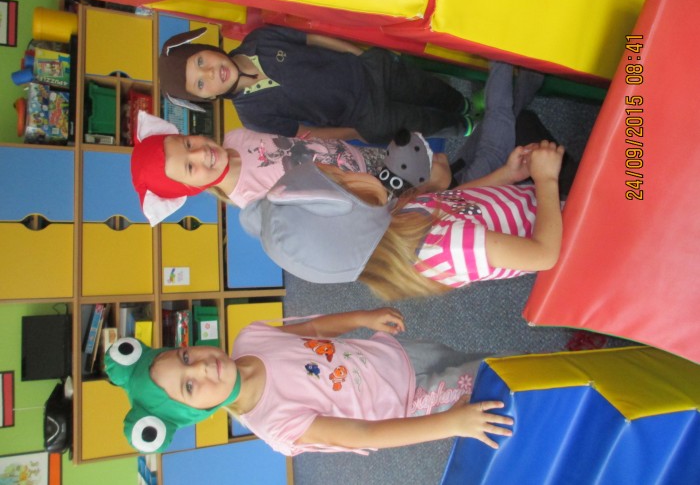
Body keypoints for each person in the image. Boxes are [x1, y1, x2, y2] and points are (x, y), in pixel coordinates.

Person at [240, 66, 565, 300]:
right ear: (351, 219)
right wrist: (546, 179)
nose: (351, 171)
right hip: (559, 229)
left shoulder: (397, 217)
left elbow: (458, 201)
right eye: (344, 179)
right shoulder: (445, 248)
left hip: (538, 203)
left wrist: (506, 176)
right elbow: (543, 255)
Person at [105, 308, 514, 455]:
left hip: (397, 355)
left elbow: (314, 330)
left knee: (487, 363)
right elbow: (364, 433)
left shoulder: (249, 338)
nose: (200, 367)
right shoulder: (276, 425)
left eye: (184, 357)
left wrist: (363, 317)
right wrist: (451, 424)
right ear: (194, 413)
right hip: (413, 402)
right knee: (500, 392)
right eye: (189, 387)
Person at [158, 25, 473, 144]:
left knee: (425, 87)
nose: (211, 73)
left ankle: (463, 103)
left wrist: (361, 55)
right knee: (420, 123)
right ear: (207, 98)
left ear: (207, 49)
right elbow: (305, 132)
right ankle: (465, 127)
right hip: (362, 116)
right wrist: (355, 132)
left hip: (370, 71)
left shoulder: (260, 40)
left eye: (201, 61)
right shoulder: (252, 116)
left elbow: (312, 39)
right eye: (201, 83)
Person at [131, 112, 451, 226]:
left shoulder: (236, 136)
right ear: (191, 189)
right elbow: (332, 212)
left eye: (188, 142)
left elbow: (302, 140)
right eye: (190, 166)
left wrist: (353, 133)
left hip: (362, 157)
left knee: (433, 163)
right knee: (443, 196)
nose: (201, 152)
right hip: (374, 194)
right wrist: (420, 188)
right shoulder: (255, 201)